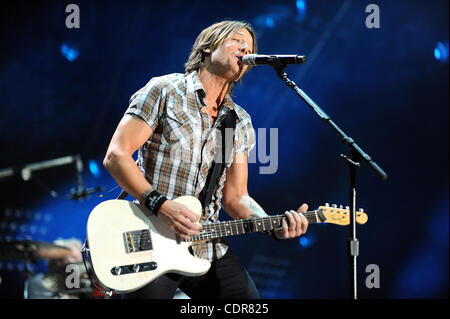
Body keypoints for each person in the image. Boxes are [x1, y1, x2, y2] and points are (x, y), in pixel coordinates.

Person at [103, 20, 309, 299]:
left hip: (206, 244)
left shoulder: (237, 122)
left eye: (249, 46)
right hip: (150, 238)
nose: (246, 47)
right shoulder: (165, 91)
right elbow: (116, 156)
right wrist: (162, 205)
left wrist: (273, 226)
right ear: (208, 47)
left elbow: (236, 199)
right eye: (237, 40)